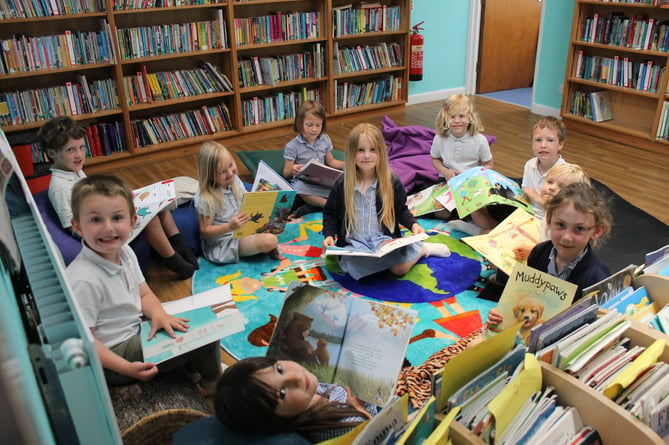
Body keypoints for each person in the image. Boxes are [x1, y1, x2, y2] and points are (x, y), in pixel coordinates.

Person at [65, 174, 221, 390]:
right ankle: (213, 384)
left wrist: (158, 312)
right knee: (209, 331)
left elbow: (144, 294)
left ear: (133, 221)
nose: (108, 228)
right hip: (113, 356)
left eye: (117, 218)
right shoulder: (83, 279)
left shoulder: (125, 251)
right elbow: (85, 342)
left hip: (133, 330)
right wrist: (126, 368)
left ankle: (193, 369)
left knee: (203, 314)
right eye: (95, 220)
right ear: (78, 227)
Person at [38, 116, 197, 279]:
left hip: (102, 213)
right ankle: (173, 260)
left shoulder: (74, 171)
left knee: (159, 203)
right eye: (70, 150)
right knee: (151, 219)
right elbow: (72, 227)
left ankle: (178, 242)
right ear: (52, 153)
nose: (79, 155)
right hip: (100, 230)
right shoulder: (60, 187)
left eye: (81, 147)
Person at [322, 123, 451, 281]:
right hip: (355, 243)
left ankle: (422, 250)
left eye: (372, 150)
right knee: (350, 267)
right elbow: (330, 212)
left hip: (382, 240)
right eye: (360, 150)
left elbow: (400, 210)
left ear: (381, 153)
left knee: (399, 269)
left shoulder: (391, 181)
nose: (367, 156)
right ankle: (389, 260)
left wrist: (413, 225)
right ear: (351, 153)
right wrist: (329, 235)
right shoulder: (342, 183)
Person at [487, 182, 612, 327]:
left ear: (596, 231)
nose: (567, 237)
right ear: (549, 220)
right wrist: (502, 313)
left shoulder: (597, 279)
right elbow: (527, 297)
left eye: (579, 229)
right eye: (560, 225)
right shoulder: (539, 252)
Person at [215, 357, 376, 443]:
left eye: (279, 369)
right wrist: (359, 409)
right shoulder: (346, 423)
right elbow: (382, 433)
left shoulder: (307, 397)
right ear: (274, 420)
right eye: (283, 393)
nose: (295, 376)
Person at [195, 140, 280, 264]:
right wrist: (229, 226)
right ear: (210, 175)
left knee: (277, 222)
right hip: (226, 242)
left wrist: (260, 197)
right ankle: (265, 248)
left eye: (230, 165)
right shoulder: (206, 198)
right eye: (222, 172)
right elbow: (205, 231)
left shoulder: (234, 181)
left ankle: (262, 247)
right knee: (270, 241)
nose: (230, 173)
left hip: (245, 228)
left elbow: (246, 198)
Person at [428, 94, 497, 232]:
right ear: (445, 118)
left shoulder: (480, 140)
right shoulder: (440, 138)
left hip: (472, 184)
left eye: (461, 116)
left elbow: (489, 164)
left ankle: (473, 226)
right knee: (441, 212)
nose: (457, 121)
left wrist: (479, 176)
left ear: (470, 118)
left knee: (479, 214)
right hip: (449, 180)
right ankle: (461, 214)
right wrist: (445, 172)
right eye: (452, 116)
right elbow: (434, 159)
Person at [512, 162, 591, 261]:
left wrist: (531, 252)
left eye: (562, 186)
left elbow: (556, 252)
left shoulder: (563, 224)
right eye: (550, 182)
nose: (552, 188)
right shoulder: (551, 212)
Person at [283, 101, 344, 217]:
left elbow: (331, 162)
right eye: (309, 125)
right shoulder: (292, 146)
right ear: (300, 123)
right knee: (297, 187)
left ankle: (312, 206)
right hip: (305, 183)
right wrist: (293, 170)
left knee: (344, 182)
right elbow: (286, 173)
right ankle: (328, 205)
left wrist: (349, 165)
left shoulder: (325, 140)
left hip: (322, 181)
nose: (314, 129)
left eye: (318, 125)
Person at [522, 116, 567, 218]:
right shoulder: (529, 165)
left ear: (560, 144)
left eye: (550, 140)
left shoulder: (565, 172)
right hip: (527, 215)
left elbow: (561, 210)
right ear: (532, 143)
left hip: (551, 220)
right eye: (538, 140)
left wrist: (535, 196)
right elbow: (525, 192)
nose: (543, 145)